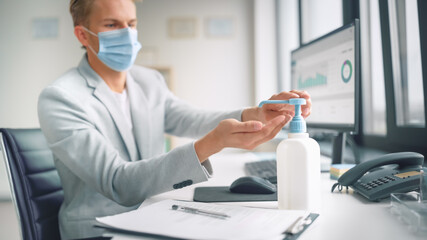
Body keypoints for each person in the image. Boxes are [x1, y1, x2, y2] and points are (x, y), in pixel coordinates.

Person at [37, 0, 312, 239]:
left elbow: (191, 119)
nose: (126, 33)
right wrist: (211, 143)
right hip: (99, 231)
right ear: (82, 35)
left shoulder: (149, 81)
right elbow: (117, 182)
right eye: (111, 25)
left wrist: (252, 114)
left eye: (131, 24)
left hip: (154, 214)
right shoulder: (61, 98)